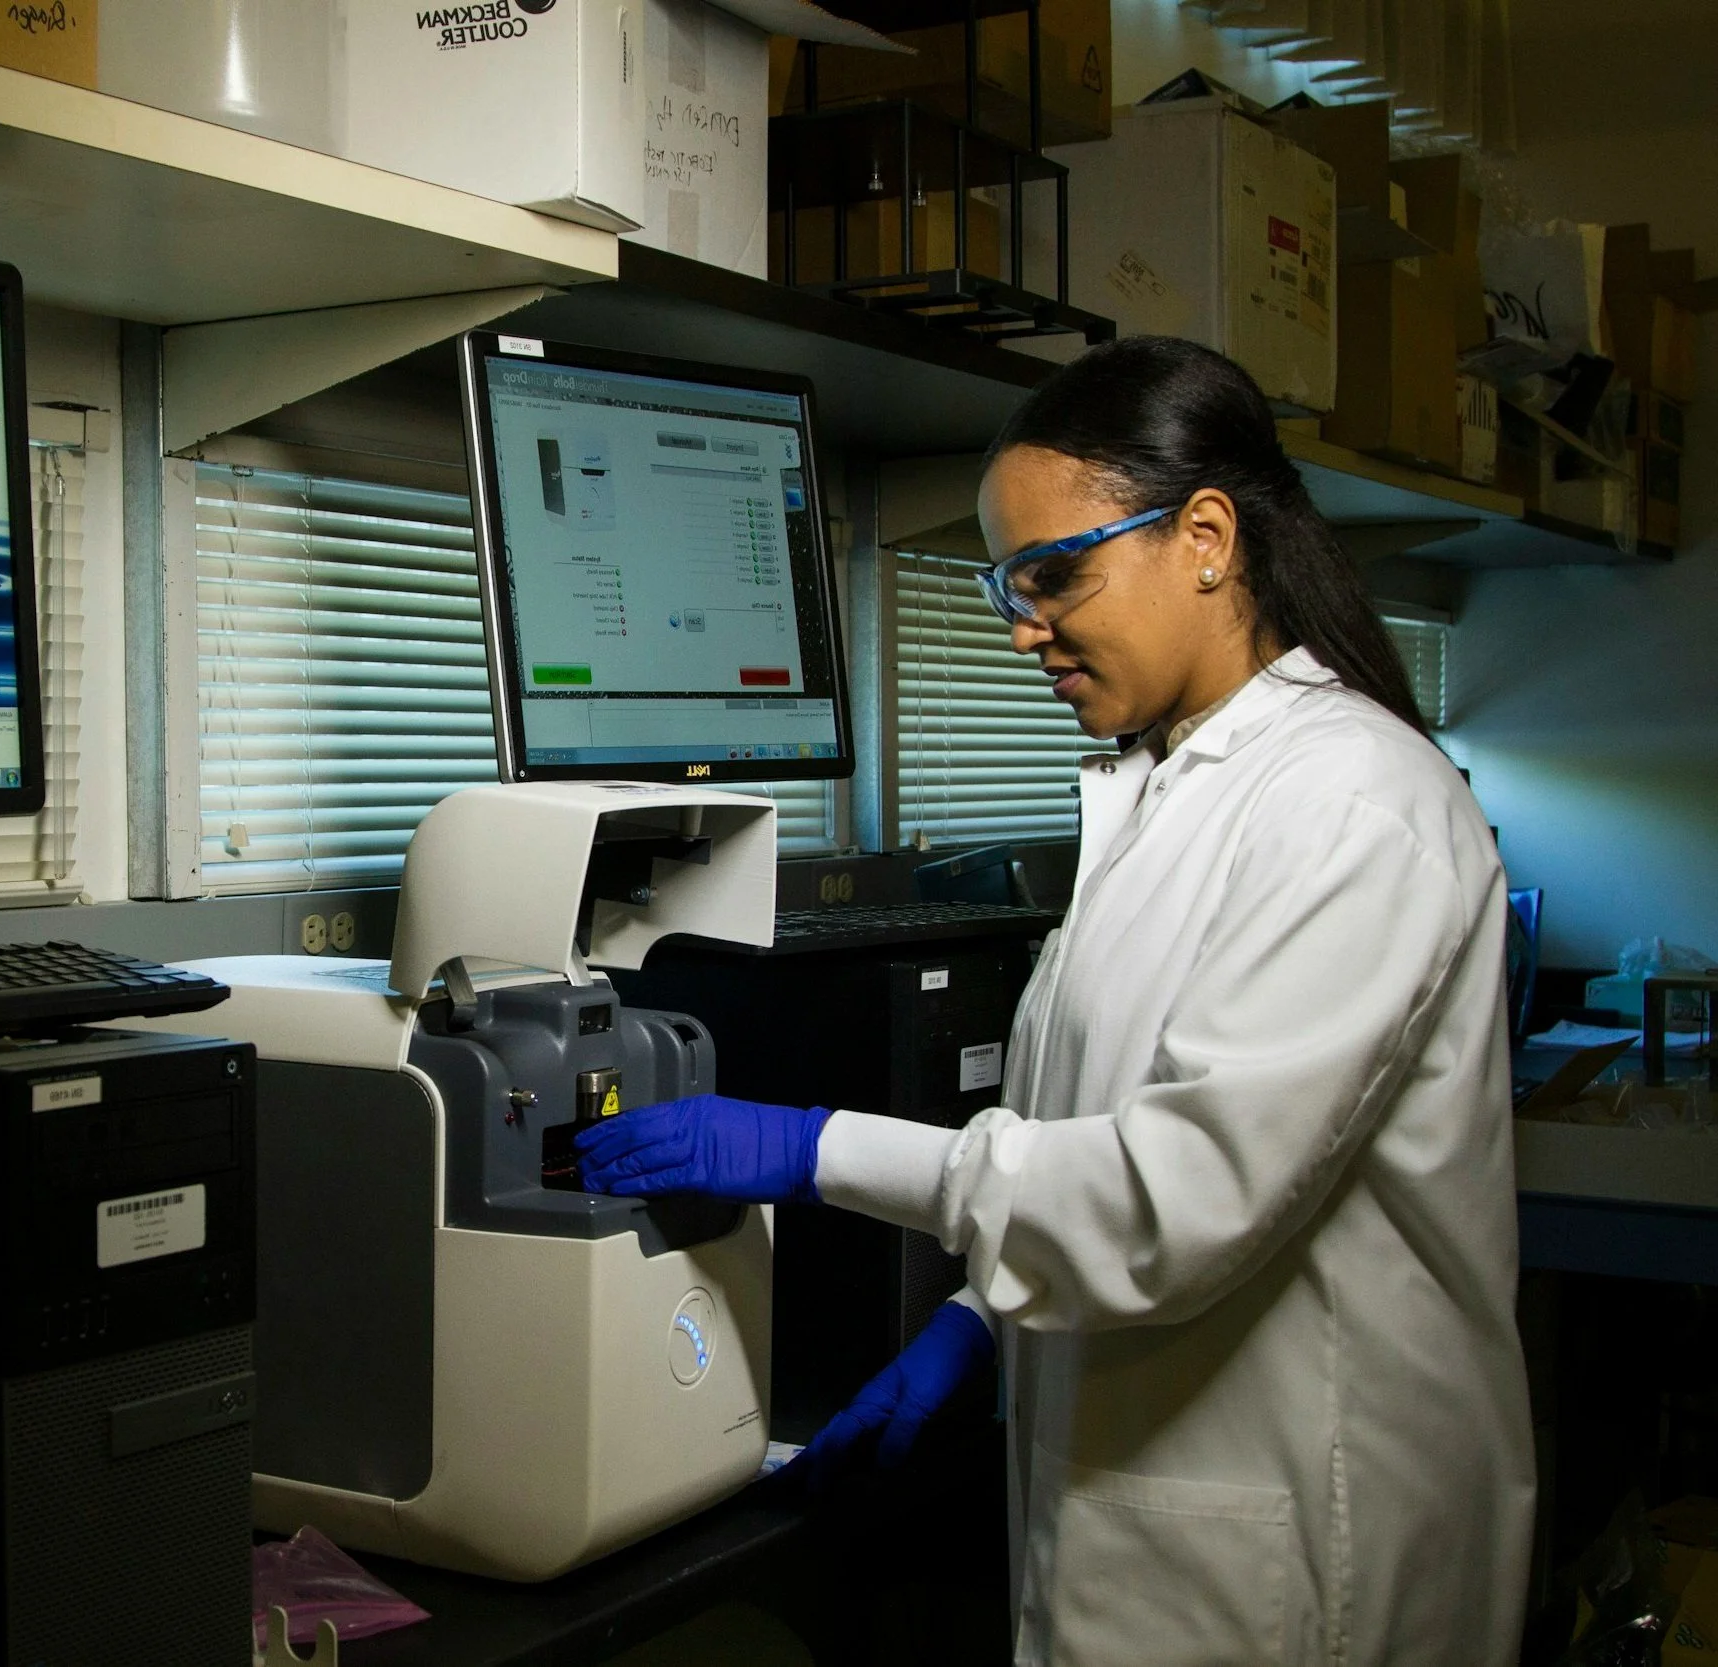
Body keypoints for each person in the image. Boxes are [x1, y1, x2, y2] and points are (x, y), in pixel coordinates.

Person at [579, 336, 1533, 1665]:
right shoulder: (1163, 788)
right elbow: (1083, 1124)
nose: (1024, 624)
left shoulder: (1353, 805)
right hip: (1155, 1527)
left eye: (1055, 575)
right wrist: (978, 1321)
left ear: (1206, 535)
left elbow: (1172, 1195)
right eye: (1004, 584)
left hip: (1302, 1555)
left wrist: (812, 1146)